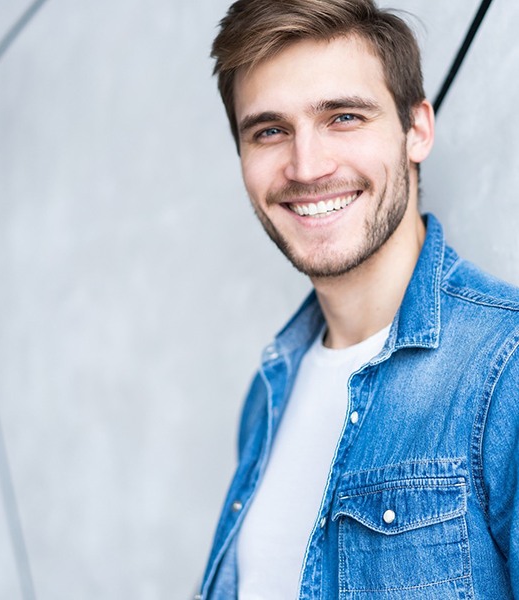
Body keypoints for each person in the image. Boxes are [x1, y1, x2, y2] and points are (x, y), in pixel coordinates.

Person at [197, 0, 519, 598]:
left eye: (343, 116)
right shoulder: (269, 392)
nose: (306, 166)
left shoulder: (507, 370)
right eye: (269, 130)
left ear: (416, 129)